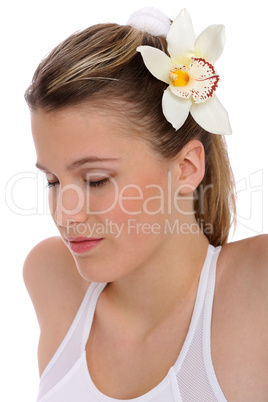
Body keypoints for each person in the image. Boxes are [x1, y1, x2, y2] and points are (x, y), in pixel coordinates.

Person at [23, 7, 268, 402]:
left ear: (186, 168)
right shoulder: (52, 278)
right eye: (52, 180)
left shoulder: (257, 285)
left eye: (95, 180)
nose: (65, 214)